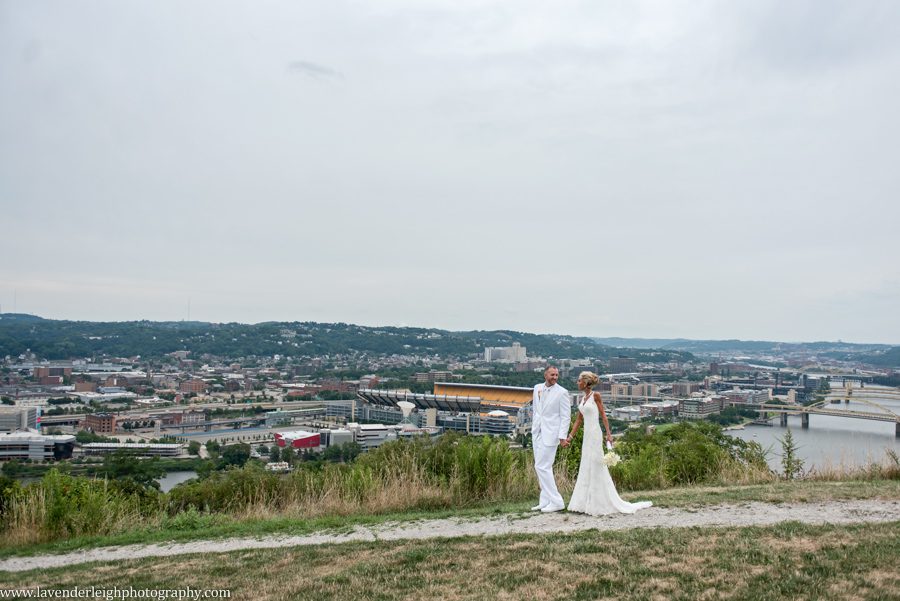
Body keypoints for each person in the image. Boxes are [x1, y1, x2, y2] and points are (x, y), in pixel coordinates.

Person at [564, 371, 652, 516]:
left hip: (595, 435)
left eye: (579, 380)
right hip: (586, 437)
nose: (577, 383)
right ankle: (584, 502)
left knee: (596, 465)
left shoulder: (595, 396)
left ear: (585, 382)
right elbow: (579, 420)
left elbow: (603, 415)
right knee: (586, 465)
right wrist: (570, 437)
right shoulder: (582, 398)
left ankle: (599, 503)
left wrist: (609, 434)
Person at [530, 366, 571, 513]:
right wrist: (534, 425)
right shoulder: (537, 388)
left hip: (551, 434)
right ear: (545, 374)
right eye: (552, 374)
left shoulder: (562, 392)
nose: (555, 377)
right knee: (541, 467)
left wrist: (562, 436)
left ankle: (557, 501)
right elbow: (536, 409)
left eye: (557, 375)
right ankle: (544, 501)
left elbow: (566, 417)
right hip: (537, 432)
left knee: (542, 467)